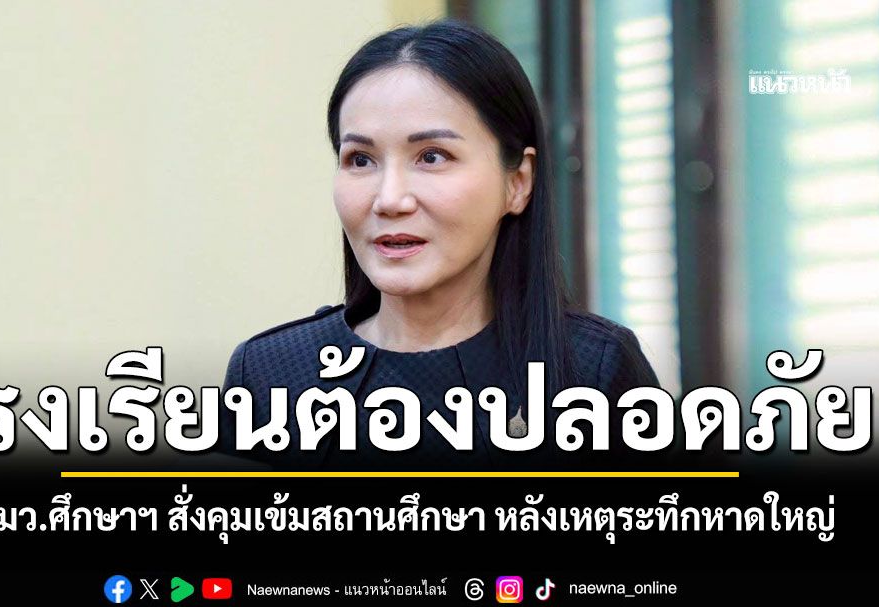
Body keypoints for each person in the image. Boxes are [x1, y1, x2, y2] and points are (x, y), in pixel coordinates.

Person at [218, 19, 659, 471]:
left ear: (517, 183)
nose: (389, 199)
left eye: (432, 156)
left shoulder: (594, 371)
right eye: (361, 159)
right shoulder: (270, 375)